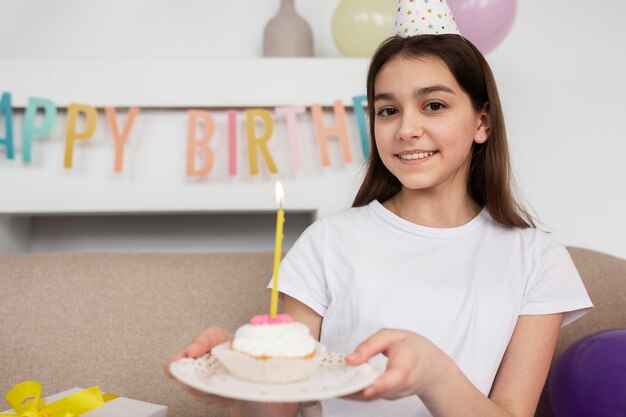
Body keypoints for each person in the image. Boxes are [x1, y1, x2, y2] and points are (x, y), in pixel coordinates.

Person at [167, 3, 593, 416]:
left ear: (482, 122)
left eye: (434, 105)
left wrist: (433, 373)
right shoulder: (327, 244)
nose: (406, 129)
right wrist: (241, 380)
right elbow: (275, 408)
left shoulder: (537, 260)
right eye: (388, 110)